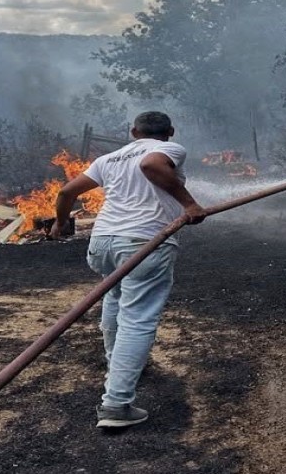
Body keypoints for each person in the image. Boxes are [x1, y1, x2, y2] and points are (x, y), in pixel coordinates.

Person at [50, 111, 208, 429]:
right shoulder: (169, 149)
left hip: (103, 243)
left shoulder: (109, 158)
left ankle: (118, 361)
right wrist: (190, 205)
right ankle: (116, 406)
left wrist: (61, 223)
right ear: (170, 132)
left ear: (133, 131)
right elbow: (150, 166)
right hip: (143, 243)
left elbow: (67, 192)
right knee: (138, 319)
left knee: (115, 297)